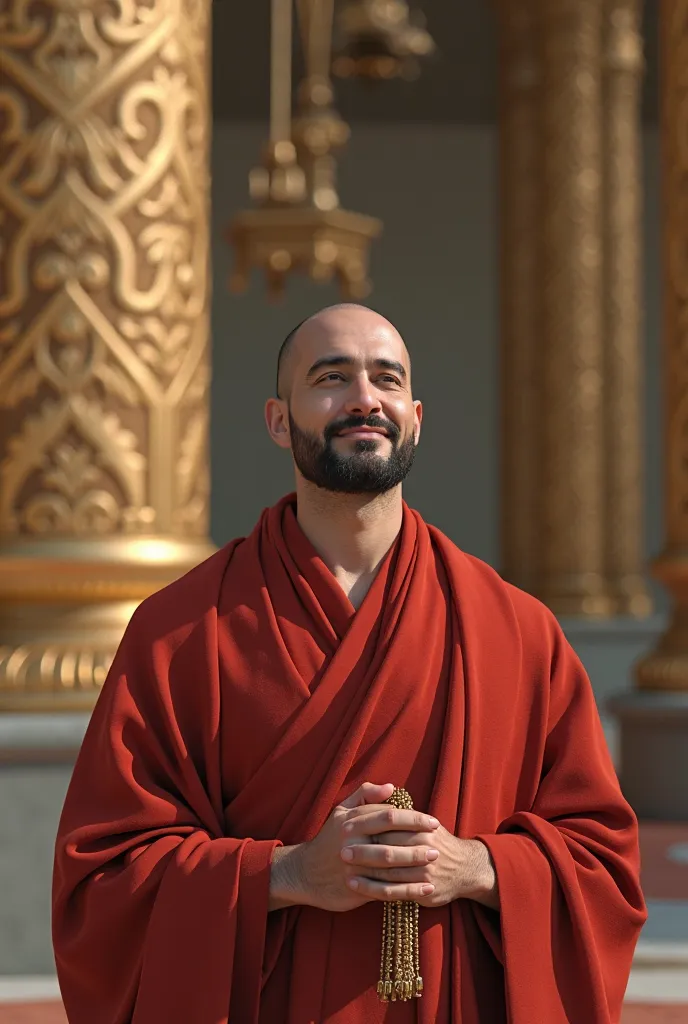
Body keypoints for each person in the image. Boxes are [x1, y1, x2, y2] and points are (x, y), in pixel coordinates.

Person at [53, 304, 647, 1024]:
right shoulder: (181, 632)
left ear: (416, 415)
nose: (364, 398)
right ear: (279, 420)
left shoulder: (517, 631)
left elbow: (602, 864)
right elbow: (105, 879)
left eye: (386, 379)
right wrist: (290, 873)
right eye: (331, 377)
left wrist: (478, 867)